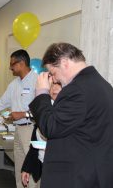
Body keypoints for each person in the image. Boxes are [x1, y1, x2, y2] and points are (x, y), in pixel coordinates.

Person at [29, 43, 113, 188]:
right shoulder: (102, 85)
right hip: (94, 171)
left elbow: (50, 127)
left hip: (78, 176)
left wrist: (41, 92)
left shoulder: (77, 89)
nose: (54, 80)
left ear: (64, 62)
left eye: (53, 72)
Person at [0, 49, 38, 188]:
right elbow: (1, 103)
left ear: (21, 63)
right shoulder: (14, 84)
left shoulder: (37, 81)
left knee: (31, 170)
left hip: (31, 130)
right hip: (18, 130)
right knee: (20, 169)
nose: (10, 68)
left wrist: (22, 114)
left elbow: (43, 110)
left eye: (12, 64)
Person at [21, 82, 62, 188]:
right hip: (43, 167)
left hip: (59, 170)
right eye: (52, 84)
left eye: (58, 84)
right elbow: (34, 145)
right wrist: (26, 168)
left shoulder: (67, 112)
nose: (54, 88)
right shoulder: (44, 111)